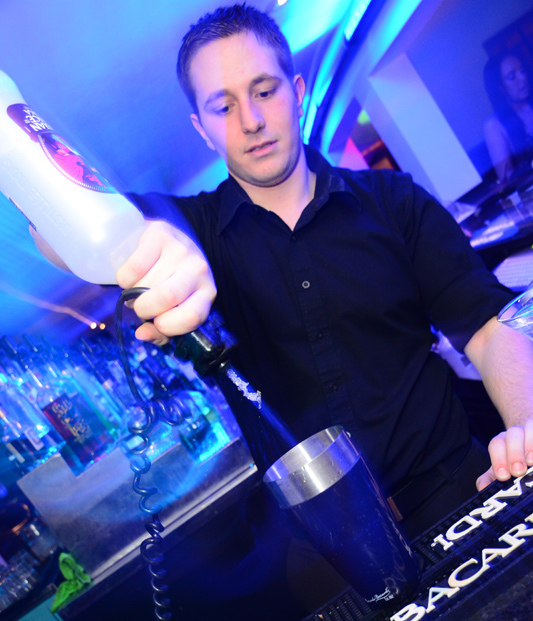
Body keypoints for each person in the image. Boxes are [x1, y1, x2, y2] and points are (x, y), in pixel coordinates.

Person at [35, 6, 533, 543]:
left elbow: (487, 326)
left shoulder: (395, 202)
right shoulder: (193, 230)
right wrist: (126, 238)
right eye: (223, 106)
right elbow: (60, 229)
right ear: (202, 129)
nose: (250, 120)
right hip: (331, 552)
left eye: (264, 91)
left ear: (296, 92)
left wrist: (527, 426)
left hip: (459, 489)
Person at [483, 49, 533, 183]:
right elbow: (508, 179)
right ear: (500, 86)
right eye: (512, 77)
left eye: (522, 71)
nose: (523, 78)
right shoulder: (494, 125)